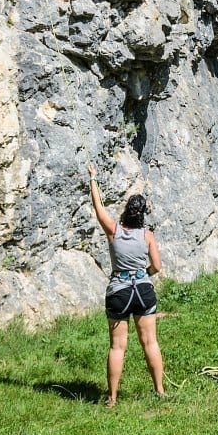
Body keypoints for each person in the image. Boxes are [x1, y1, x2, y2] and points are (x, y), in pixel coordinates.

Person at [88, 163, 166, 406]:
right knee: (150, 342)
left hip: (119, 291)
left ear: (125, 212)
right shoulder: (147, 236)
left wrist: (93, 178)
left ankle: (111, 398)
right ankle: (160, 391)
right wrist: (144, 273)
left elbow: (98, 208)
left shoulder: (114, 231)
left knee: (118, 347)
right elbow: (157, 266)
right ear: (142, 215)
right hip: (142, 290)